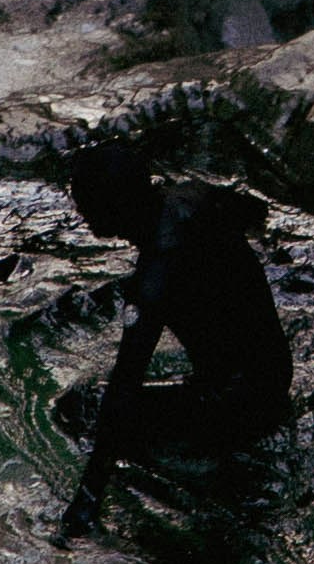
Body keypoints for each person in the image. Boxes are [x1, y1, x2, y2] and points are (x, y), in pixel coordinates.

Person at [55, 145, 294, 538]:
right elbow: (250, 211)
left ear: (113, 206)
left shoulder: (157, 273)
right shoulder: (190, 196)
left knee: (79, 408)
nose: (78, 209)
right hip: (273, 375)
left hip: (240, 400)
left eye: (85, 200)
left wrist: (86, 499)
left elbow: (123, 388)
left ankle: (195, 476)